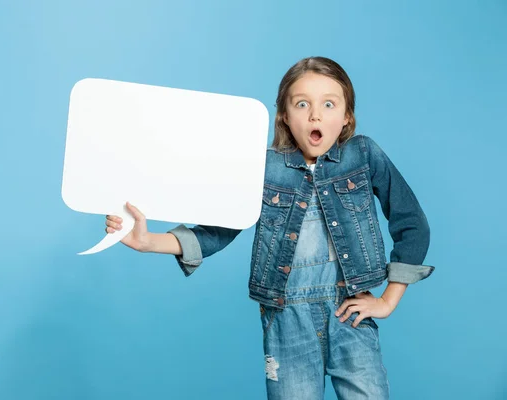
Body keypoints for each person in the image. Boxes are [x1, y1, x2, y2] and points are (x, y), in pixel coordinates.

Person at [104, 56, 434, 399]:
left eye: (329, 104)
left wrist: (388, 301)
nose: (315, 115)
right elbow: (218, 230)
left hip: (349, 311)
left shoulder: (363, 155)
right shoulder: (265, 168)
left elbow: (412, 223)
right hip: (286, 317)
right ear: (285, 116)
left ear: (347, 115)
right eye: (302, 104)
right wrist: (147, 241)